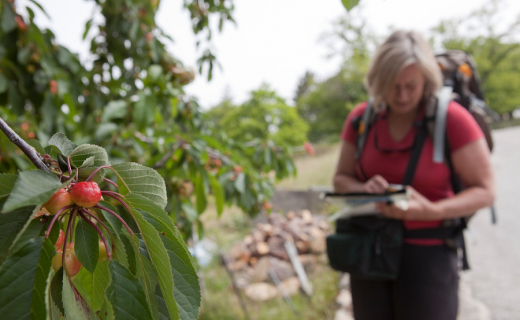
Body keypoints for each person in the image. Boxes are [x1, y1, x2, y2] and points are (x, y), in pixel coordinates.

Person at [332, 30, 495, 320]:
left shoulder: (452, 119)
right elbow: (341, 179)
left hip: (429, 256)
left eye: (411, 85)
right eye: (393, 86)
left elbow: (485, 190)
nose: (402, 95)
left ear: (426, 80)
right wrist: (363, 188)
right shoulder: (361, 119)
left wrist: (433, 211)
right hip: (371, 251)